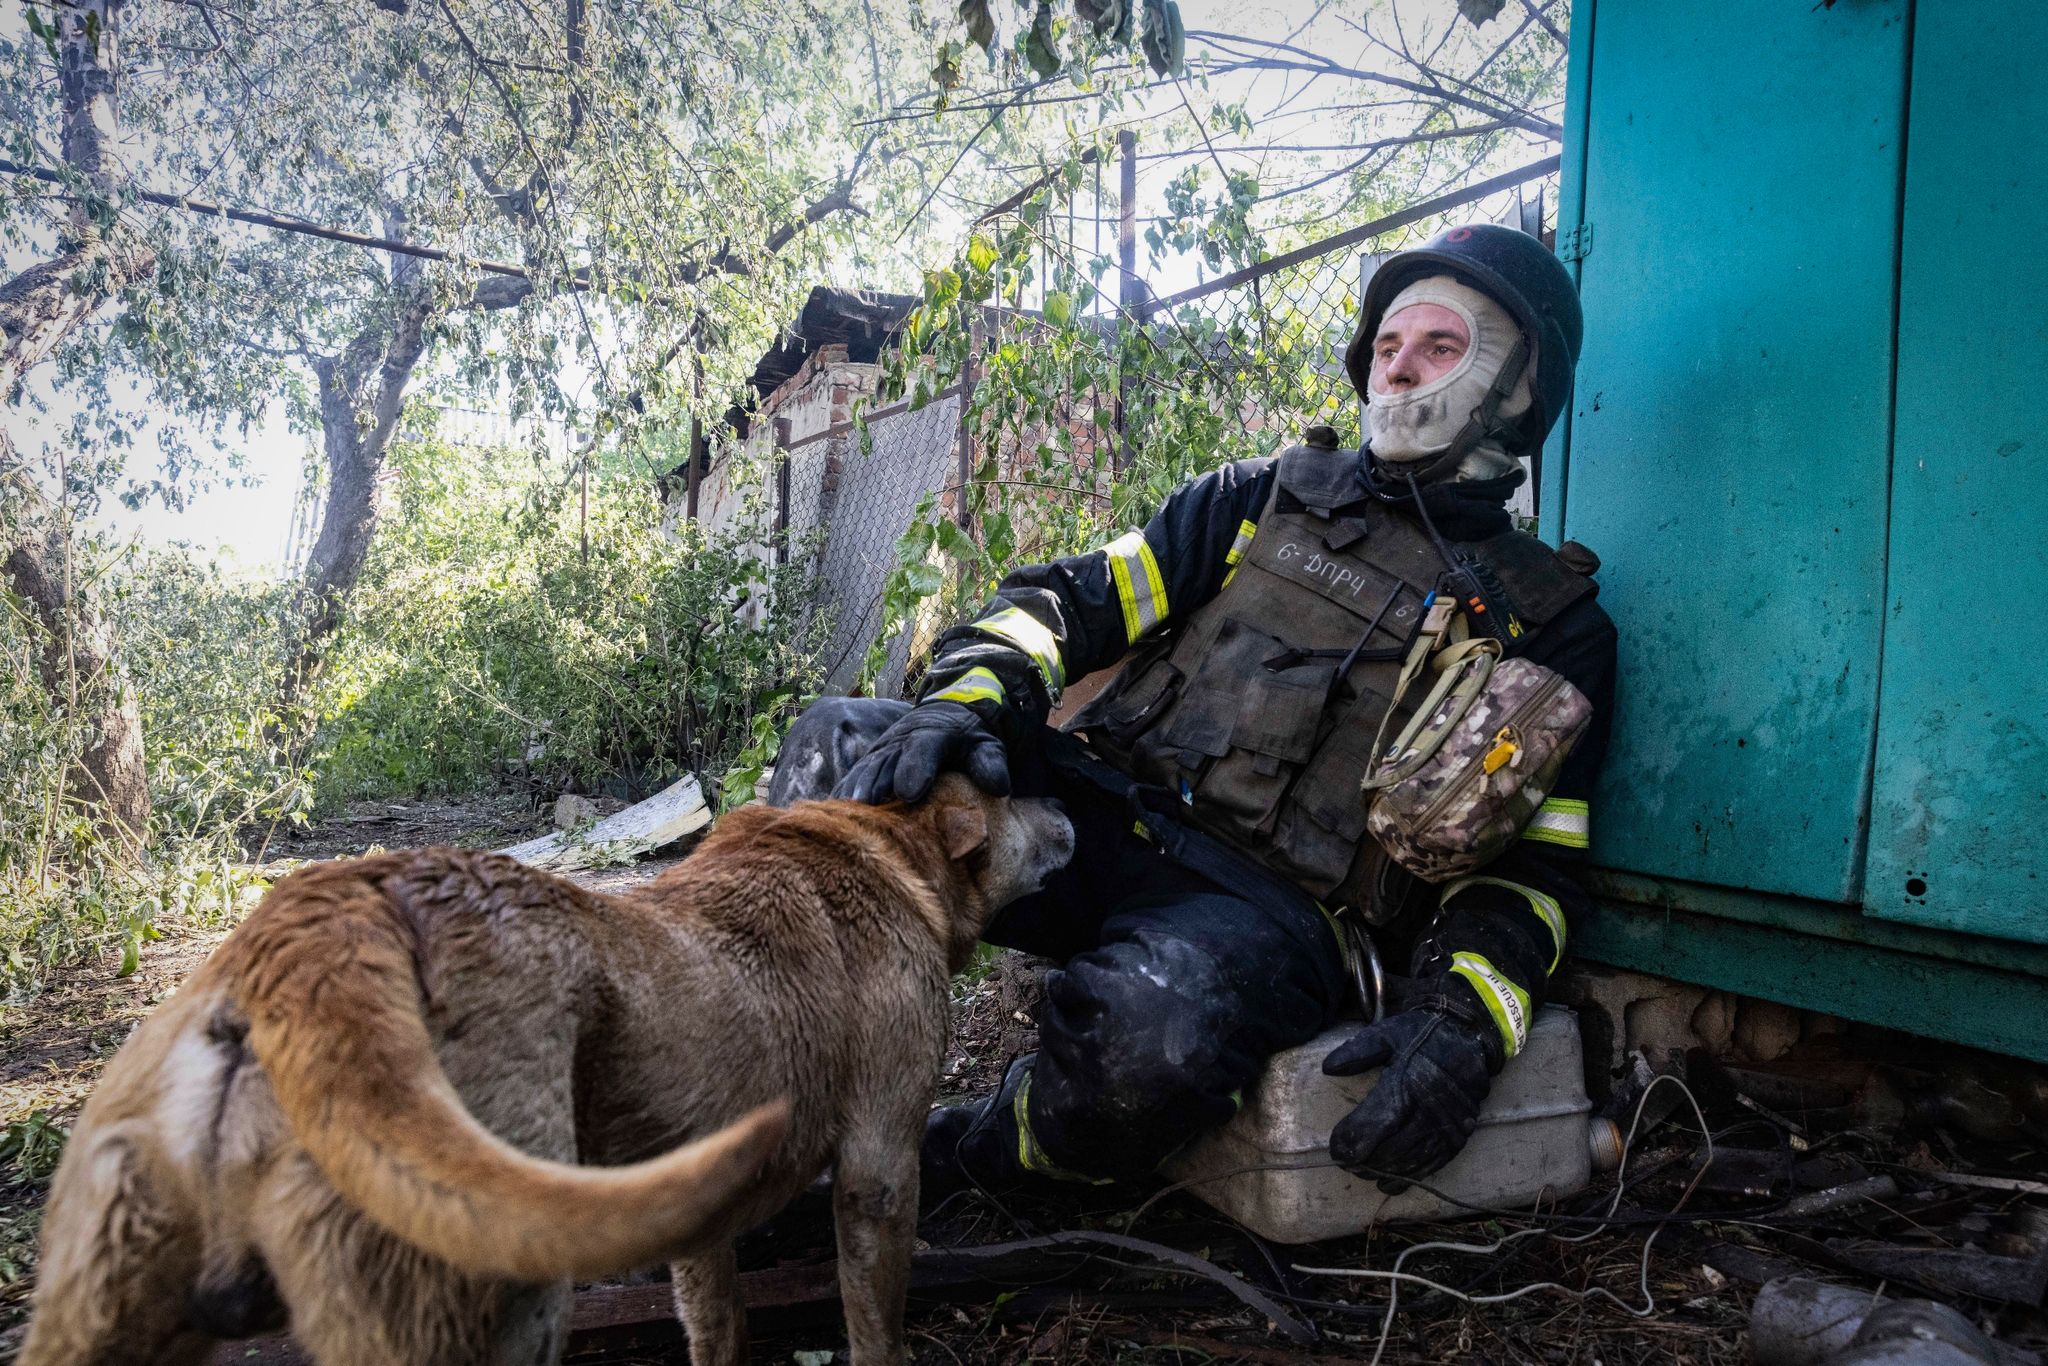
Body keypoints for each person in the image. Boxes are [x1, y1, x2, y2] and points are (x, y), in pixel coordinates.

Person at [768, 222, 1617, 1196]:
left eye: (1439, 346)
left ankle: (966, 1156)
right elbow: (1065, 605)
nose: (1397, 368)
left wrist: (1465, 1021)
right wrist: (965, 702)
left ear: (1517, 386)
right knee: (841, 748)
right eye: (1386, 343)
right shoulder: (1261, 496)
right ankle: (773, 1104)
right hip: (1094, 823)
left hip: (1264, 919)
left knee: (1151, 1040)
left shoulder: (1549, 624)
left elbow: (1534, 876)